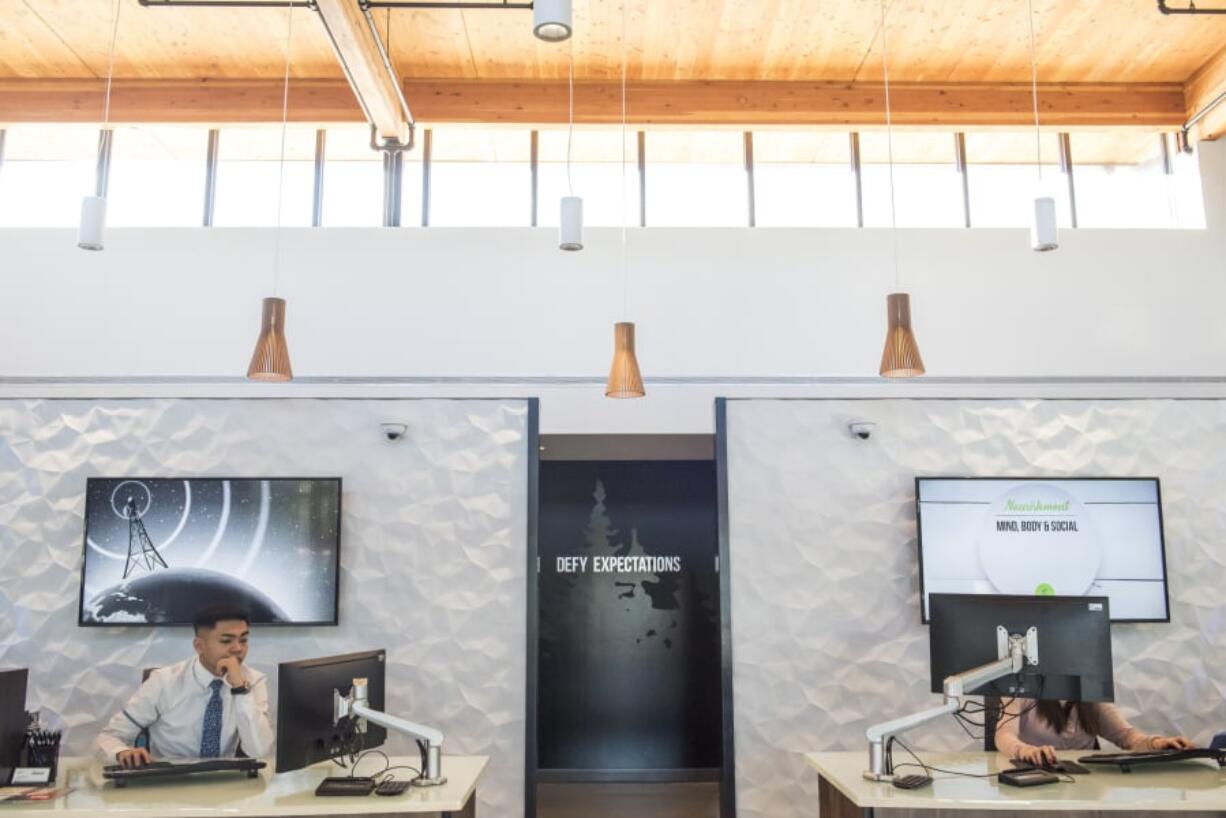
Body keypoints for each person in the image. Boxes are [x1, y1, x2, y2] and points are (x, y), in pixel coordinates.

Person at [95, 604, 274, 767]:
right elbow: (109, 737)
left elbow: (259, 751)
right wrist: (122, 752)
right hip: (168, 781)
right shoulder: (163, 681)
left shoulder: (253, 681)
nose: (238, 649)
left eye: (243, 640)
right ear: (199, 646)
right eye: (226, 641)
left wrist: (240, 689)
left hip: (224, 781)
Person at [996, 698, 1195, 765]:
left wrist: (1156, 743)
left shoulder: (1089, 693)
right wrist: (1025, 751)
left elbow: (1127, 737)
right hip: (1037, 777)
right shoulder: (1021, 688)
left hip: (1085, 784)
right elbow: (1003, 734)